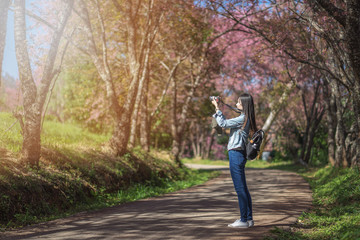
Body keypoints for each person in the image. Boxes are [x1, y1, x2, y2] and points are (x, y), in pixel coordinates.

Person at [211, 93, 257, 228]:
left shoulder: (242, 118)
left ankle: (243, 220)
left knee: (240, 188)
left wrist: (217, 108)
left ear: (244, 105)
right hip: (239, 153)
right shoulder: (245, 118)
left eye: (238, 102)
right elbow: (222, 124)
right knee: (243, 188)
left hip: (236, 154)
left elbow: (223, 124)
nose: (236, 104)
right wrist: (218, 108)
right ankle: (248, 219)